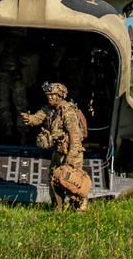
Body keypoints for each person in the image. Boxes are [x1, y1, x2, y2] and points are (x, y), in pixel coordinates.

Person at [22, 82, 89, 212]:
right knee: (53, 178)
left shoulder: (67, 112)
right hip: (59, 151)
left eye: (52, 95)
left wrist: (71, 156)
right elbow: (38, 117)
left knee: (72, 181)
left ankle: (80, 206)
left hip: (71, 153)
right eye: (48, 95)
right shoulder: (49, 109)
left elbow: (75, 136)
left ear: (60, 96)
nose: (49, 98)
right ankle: (57, 207)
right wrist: (29, 119)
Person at [0, 38, 40, 143]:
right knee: (20, 107)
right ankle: (21, 132)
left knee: (4, 104)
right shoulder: (24, 44)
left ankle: (11, 129)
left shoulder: (6, 43)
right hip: (15, 78)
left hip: (10, 76)